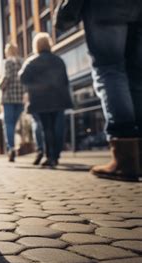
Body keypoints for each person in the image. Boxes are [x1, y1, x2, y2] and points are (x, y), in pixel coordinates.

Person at [56, 0, 141, 180]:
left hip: (104, 8)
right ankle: (137, 157)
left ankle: (125, 157)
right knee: (136, 76)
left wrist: (68, 12)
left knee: (110, 70)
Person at [19, 32, 73, 168]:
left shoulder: (32, 61)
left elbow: (23, 78)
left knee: (47, 128)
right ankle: (56, 155)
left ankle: (50, 157)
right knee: (58, 127)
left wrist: (34, 85)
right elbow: (65, 80)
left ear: (35, 46)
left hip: (40, 99)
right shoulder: (58, 60)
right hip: (58, 98)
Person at [0, 43, 25, 162]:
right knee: (14, 124)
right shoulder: (22, 62)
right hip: (20, 99)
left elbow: (6, 78)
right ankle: (14, 146)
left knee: (8, 124)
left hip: (8, 98)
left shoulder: (8, 62)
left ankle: (11, 148)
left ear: (8, 51)